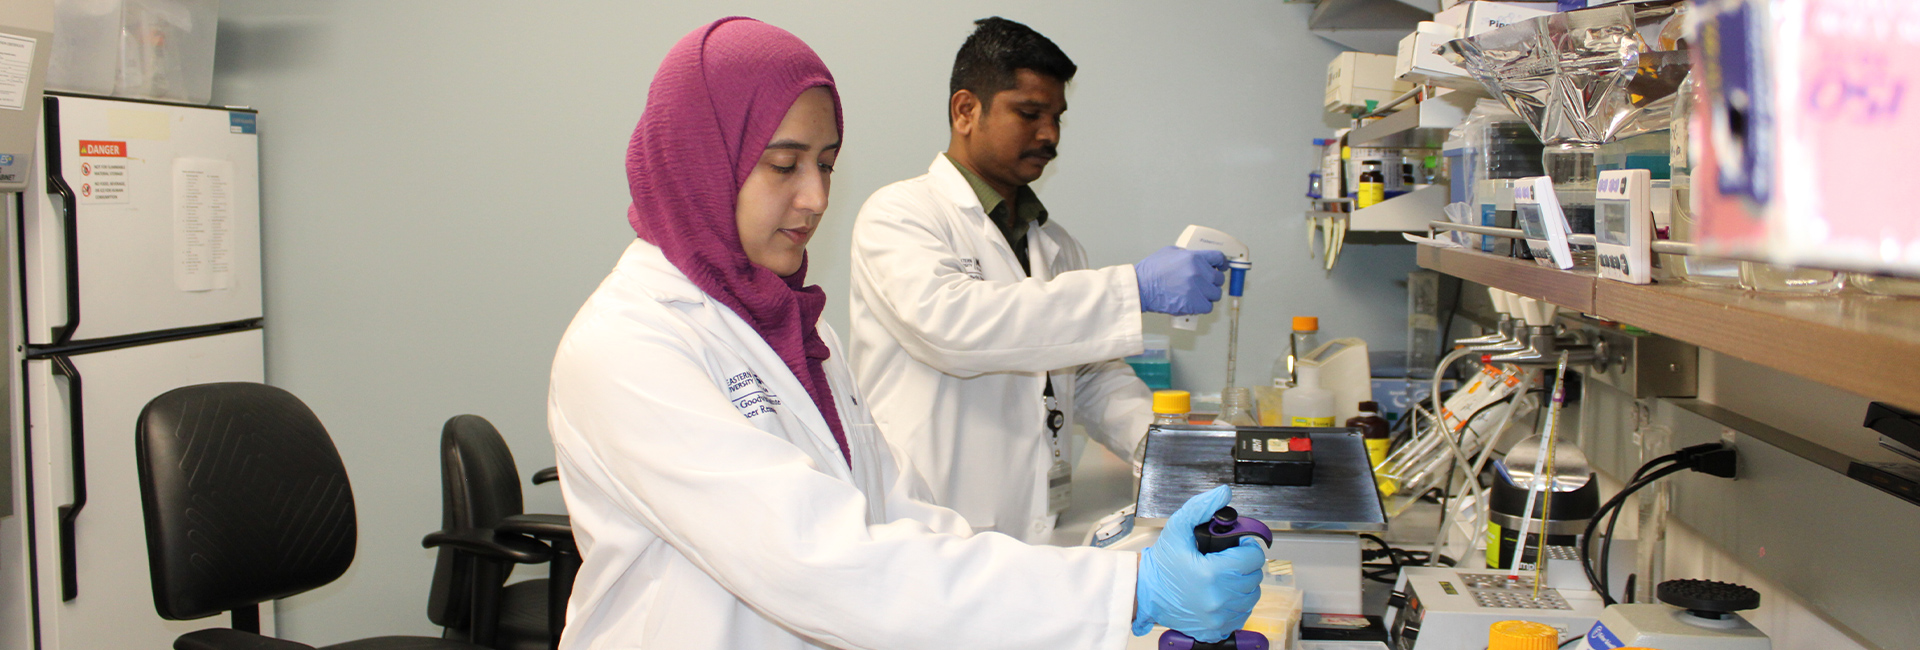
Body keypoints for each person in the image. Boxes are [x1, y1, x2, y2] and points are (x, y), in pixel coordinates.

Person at [546, 17, 1262, 650]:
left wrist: (1112, 581)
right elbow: (817, 558)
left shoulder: (790, 322)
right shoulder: (629, 344)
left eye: (826, 165)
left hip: (921, 585)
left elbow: (896, 511)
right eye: (785, 165)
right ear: (702, 158)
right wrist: (1123, 594)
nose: (817, 198)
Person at [849, 17, 1228, 544]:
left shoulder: (1056, 244)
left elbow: (1090, 375)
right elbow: (952, 329)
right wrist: (1131, 289)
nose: (1049, 134)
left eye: (1056, 117)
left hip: (1030, 530)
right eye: (1029, 113)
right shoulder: (900, 215)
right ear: (965, 110)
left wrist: (1163, 447)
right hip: (926, 527)